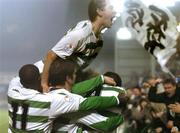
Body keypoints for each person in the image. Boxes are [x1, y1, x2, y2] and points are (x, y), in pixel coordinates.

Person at [8, 63, 124, 132]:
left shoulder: (13, 90)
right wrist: (119, 100)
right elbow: (87, 103)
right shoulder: (52, 102)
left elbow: (22, 76)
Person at [41, 0, 116, 92]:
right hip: (43, 76)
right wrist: (43, 83)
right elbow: (50, 56)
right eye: (111, 8)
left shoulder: (99, 41)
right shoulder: (80, 34)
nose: (114, 12)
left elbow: (78, 65)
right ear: (99, 11)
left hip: (61, 81)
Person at [48, 59, 126, 132]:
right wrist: (123, 115)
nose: (75, 76)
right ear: (68, 78)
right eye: (74, 74)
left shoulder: (48, 95)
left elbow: (75, 89)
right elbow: (106, 125)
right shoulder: (73, 104)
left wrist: (101, 79)